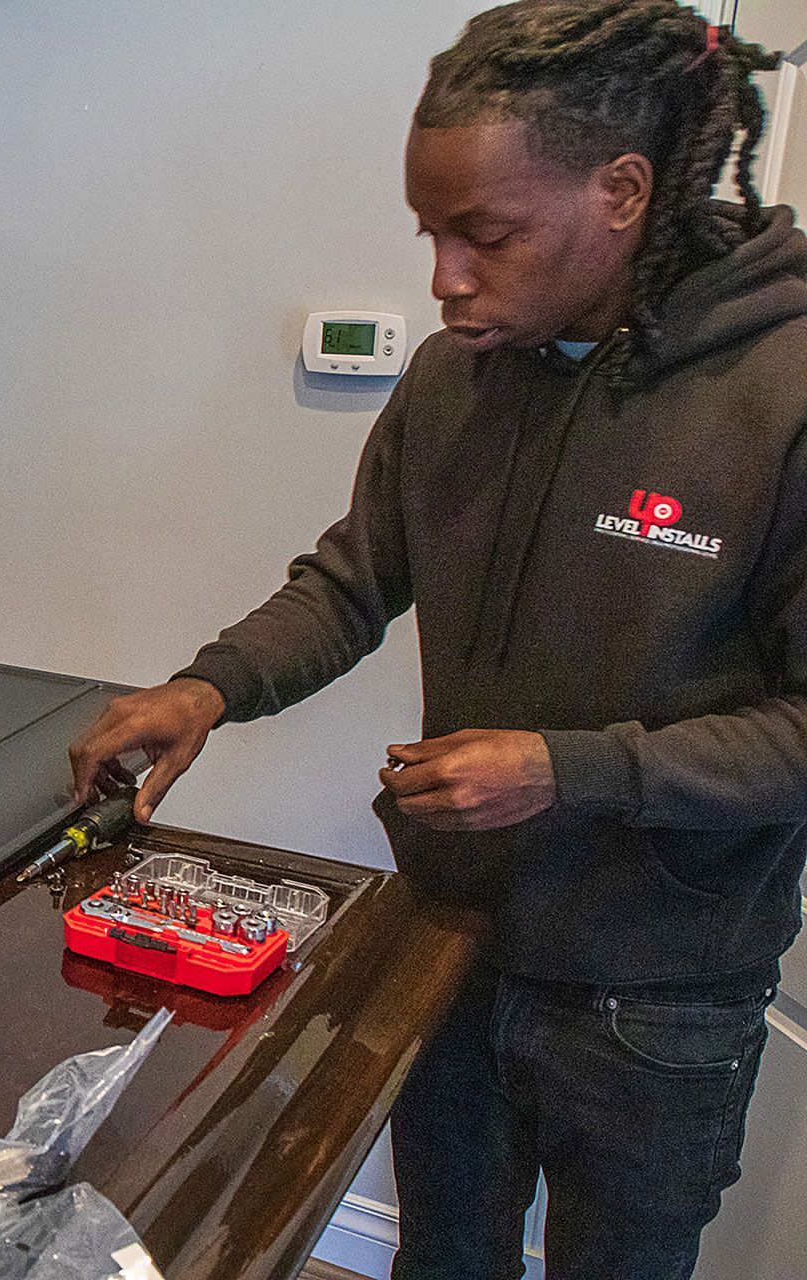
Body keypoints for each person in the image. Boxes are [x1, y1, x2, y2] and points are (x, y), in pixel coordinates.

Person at [68, 4, 799, 1277]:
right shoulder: (458, 374)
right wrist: (209, 686)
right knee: (445, 1258)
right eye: (433, 234)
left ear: (623, 191)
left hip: (658, 991)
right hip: (447, 937)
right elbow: (355, 580)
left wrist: (567, 769)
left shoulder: (782, 392)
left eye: (487, 234)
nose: (446, 277)